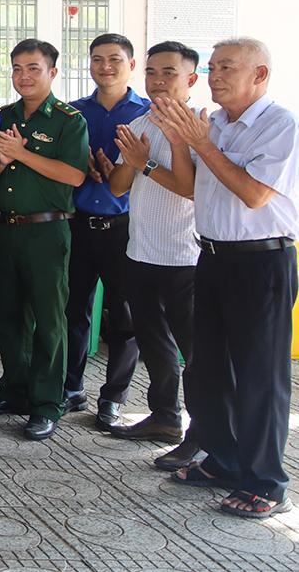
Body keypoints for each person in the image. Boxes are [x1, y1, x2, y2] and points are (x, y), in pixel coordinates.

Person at [151, 37, 299, 520]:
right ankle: (223, 459)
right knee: (208, 369)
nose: (214, 76)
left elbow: (254, 195)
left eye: (226, 68)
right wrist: (179, 142)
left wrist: (200, 143)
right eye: (212, 67)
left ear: (260, 74)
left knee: (258, 376)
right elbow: (191, 187)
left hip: (261, 263)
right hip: (212, 257)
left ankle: (267, 483)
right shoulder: (212, 123)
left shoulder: (281, 125)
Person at [0, 39, 89, 442]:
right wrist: (3, 159)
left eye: (33, 68)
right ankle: (15, 389)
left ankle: (46, 403)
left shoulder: (67, 120)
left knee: (49, 319)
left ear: (52, 72)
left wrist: (22, 153)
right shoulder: (4, 116)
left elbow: (74, 175)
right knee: (9, 315)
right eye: (16, 68)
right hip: (7, 228)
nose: (23, 76)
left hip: (48, 229)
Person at [105, 41, 201, 463]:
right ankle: (164, 416)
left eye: (169, 73)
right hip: (140, 252)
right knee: (153, 342)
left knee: (195, 352)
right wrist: (131, 160)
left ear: (191, 79)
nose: (158, 81)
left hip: (185, 257)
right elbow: (118, 187)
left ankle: (203, 434)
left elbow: (189, 188)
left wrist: (145, 163)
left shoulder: (201, 126)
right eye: (152, 72)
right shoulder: (140, 122)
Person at [65, 32, 149, 429]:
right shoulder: (75, 113)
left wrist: (120, 170)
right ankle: (71, 386)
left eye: (114, 59)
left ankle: (113, 397)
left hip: (125, 228)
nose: (105, 66)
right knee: (73, 309)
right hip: (79, 225)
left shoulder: (147, 113)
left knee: (124, 317)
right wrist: (80, 163)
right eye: (97, 59)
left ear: (130, 65)